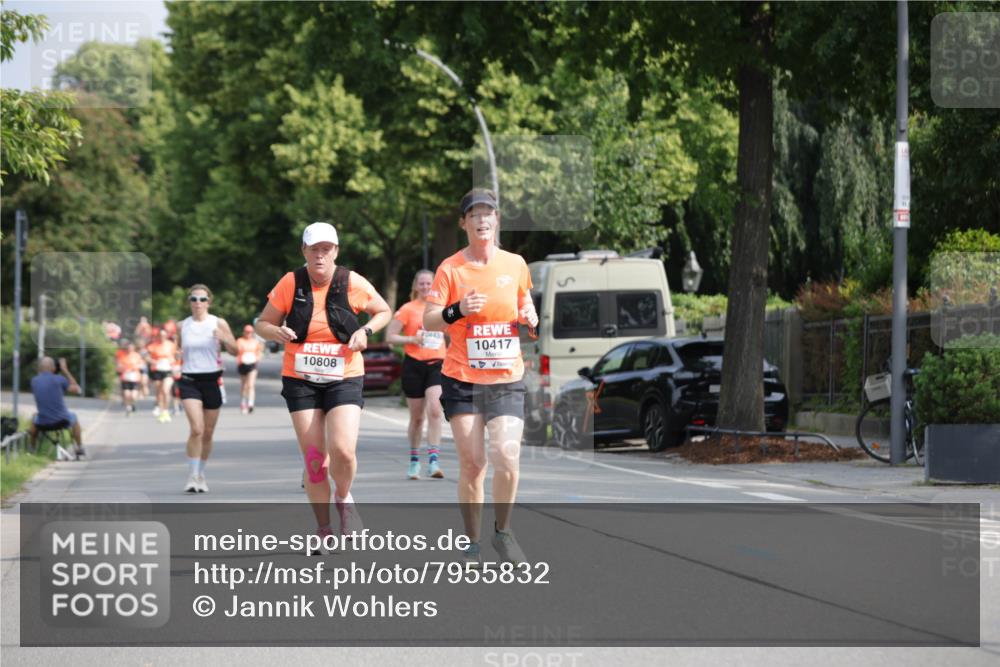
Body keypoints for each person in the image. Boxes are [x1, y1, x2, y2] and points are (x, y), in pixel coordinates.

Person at [255, 222, 391, 541]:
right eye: (314, 249)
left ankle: (343, 498)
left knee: (343, 450)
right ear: (304, 251)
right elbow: (262, 323)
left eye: (326, 249)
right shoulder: (291, 282)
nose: (320, 255)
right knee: (315, 460)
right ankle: (323, 528)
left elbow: (383, 311)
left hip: (343, 373)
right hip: (301, 377)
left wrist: (364, 331)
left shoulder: (350, 281)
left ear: (336, 252)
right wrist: (275, 331)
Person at [423, 189, 537, 567]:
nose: (482, 220)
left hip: (506, 376)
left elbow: (524, 301)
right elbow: (429, 319)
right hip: (462, 378)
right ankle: (472, 542)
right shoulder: (450, 268)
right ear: (464, 223)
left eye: (488, 213)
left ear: (497, 220)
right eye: (474, 214)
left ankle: (503, 532)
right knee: (473, 464)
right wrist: (457, 310)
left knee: (506, 455)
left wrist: (529, 315)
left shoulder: (515, 263)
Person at [386, 270, 446, 480]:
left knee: (436, 410)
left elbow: (453, 332)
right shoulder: (407, 309)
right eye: (421, 283)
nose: (425, 286)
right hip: (413, 365)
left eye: (429, 283)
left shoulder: (441, 309)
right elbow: (390, 337)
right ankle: (414, 462)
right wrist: (412, 339)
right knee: (417, 418)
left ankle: (434, 462)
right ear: (415, 286)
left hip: (437, 364)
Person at [177, 284, 238, 493]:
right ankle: (192, 476)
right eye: (194, 299)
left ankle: (201, 472)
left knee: (208, 433)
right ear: (189, 302)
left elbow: (235, 349)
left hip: (213, 380)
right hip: (189, 380)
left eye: (202, 299)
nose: (198, 303)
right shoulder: (182, 326)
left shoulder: (218, 323)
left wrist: (225, 338)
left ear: (209, 302)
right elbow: (177, 348)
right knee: (197, 429)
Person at [30, 357, 85, 458]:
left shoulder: (34, 381)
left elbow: (43, 379)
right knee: (74, 417)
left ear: (40, 368)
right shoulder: (60, 379)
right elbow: (78, 390)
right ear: (53, 368)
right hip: (62, 420)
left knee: (34, 417)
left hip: (42, 422)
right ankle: (79, 447)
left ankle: (32, 449)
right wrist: (65, 370)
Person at [147, 327, 178, 423]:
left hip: (168, 370)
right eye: (160, 335)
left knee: (165, 390)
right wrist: (153, 361)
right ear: (157, 336)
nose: (162, 337)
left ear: (166, 336)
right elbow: (146, 357)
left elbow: (177, 356)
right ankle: (160, 410)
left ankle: (165, 411)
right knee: (159, 391)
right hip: (157, 370)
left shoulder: (171, 345)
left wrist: (174, 361)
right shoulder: (152, 346)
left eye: (164, 335)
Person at [236, 324, 264, 414]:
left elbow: (259, 352)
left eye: (250, 332)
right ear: (244, 332)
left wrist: (257, 358)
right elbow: (237, 351)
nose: (248, 334)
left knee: (251, 385)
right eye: (247, 332)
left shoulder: (255, 342)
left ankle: (250, 404)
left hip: (252, 364)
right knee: (244, 386)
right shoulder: (240, 341)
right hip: (243, 364)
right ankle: (243, 402)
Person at [116, 341, 144, 414]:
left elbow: (141, 365)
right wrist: (124, 368)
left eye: (131, 348)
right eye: (128, 348)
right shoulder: (122, 356)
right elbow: (118, 366)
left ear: (133, 348)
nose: (130, 349)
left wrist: (134, 367)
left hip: (135, 378)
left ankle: (132, 404)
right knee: (126, 394)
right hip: (125, 377)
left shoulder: (137, 356)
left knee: (133, 396)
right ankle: (128, 406)